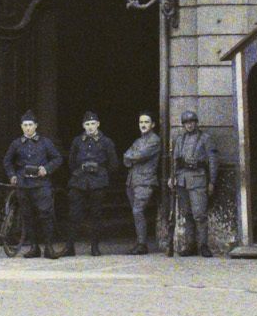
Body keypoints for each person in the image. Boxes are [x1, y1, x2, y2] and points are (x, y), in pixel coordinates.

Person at [4, 111, 62, 258]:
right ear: (21, 127)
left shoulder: (45, 142)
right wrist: (12, 175)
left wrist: (46, 169)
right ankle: (34, 248)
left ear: (36, 126)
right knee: (27, 216)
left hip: (41, 185)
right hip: (23, 185)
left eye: (30, 125)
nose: (28, 128)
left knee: (46, 215)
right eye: (25, 125)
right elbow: (7, 161)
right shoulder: (16, 143)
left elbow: (57, 158)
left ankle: (49, 247)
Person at [65, 110, 120, 256]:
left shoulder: (106, 142)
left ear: (98, 124)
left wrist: (101, 172)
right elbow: (71, 162)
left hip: (97, 183)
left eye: (92, 124)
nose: (90, 127)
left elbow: (113, 164)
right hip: (79, 181)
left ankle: (94, 247)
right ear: (83, 125)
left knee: (96, 215)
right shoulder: (77, 141)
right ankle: (69, 247)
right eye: (87, 124)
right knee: (73, 214)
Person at [170, 107, 220, 257]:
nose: (189, 125)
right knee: (187, 214)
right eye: (186, 123)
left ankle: (203, 245)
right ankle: (189, 245)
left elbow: (213, 160)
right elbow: (175, 160)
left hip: (198, 179)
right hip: (182, 180)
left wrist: (212, 181)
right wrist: (172, 177)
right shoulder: (180, 139)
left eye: (192, 122)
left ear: (196, 123)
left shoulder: (205, 139)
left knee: (200, 215)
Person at [123, 111, 162, 254]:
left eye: (146, 122)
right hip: (132, 181)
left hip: (145, 181)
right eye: (141, 122)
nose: (143, 125)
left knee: (138, 210)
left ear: (152, 124)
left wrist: (132, 156)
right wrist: (132, 157)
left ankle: (142, 244)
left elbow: (140, 155)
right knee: (136, 212)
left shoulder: (154, 140)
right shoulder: (138, 141)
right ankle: (140, 242)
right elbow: (125, 158)